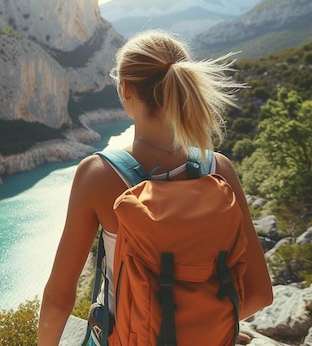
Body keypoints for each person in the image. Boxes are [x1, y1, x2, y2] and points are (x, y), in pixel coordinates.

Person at [37, 30, 273, 346]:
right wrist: (206, 326)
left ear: (124, 89)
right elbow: (260, 293)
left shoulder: (97, 175)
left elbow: (58, 300)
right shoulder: (220, 170)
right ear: (185, 87)